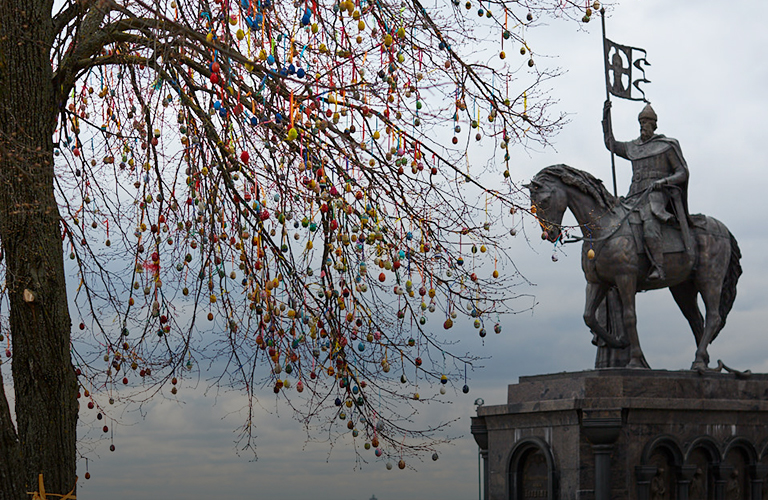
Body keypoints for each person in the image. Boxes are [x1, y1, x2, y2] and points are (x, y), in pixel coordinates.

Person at [602, 100, 689, 280]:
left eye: (647, 123)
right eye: (641, 122)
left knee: (650, 224)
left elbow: (682, 172)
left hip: (656, 196)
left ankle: (658, 266)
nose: (643, 126)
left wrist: (664, 181)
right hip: (634, 196)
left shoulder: (667, 145)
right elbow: (611, 144)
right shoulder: (633, 147)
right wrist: (606, 118)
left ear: (654, 125)